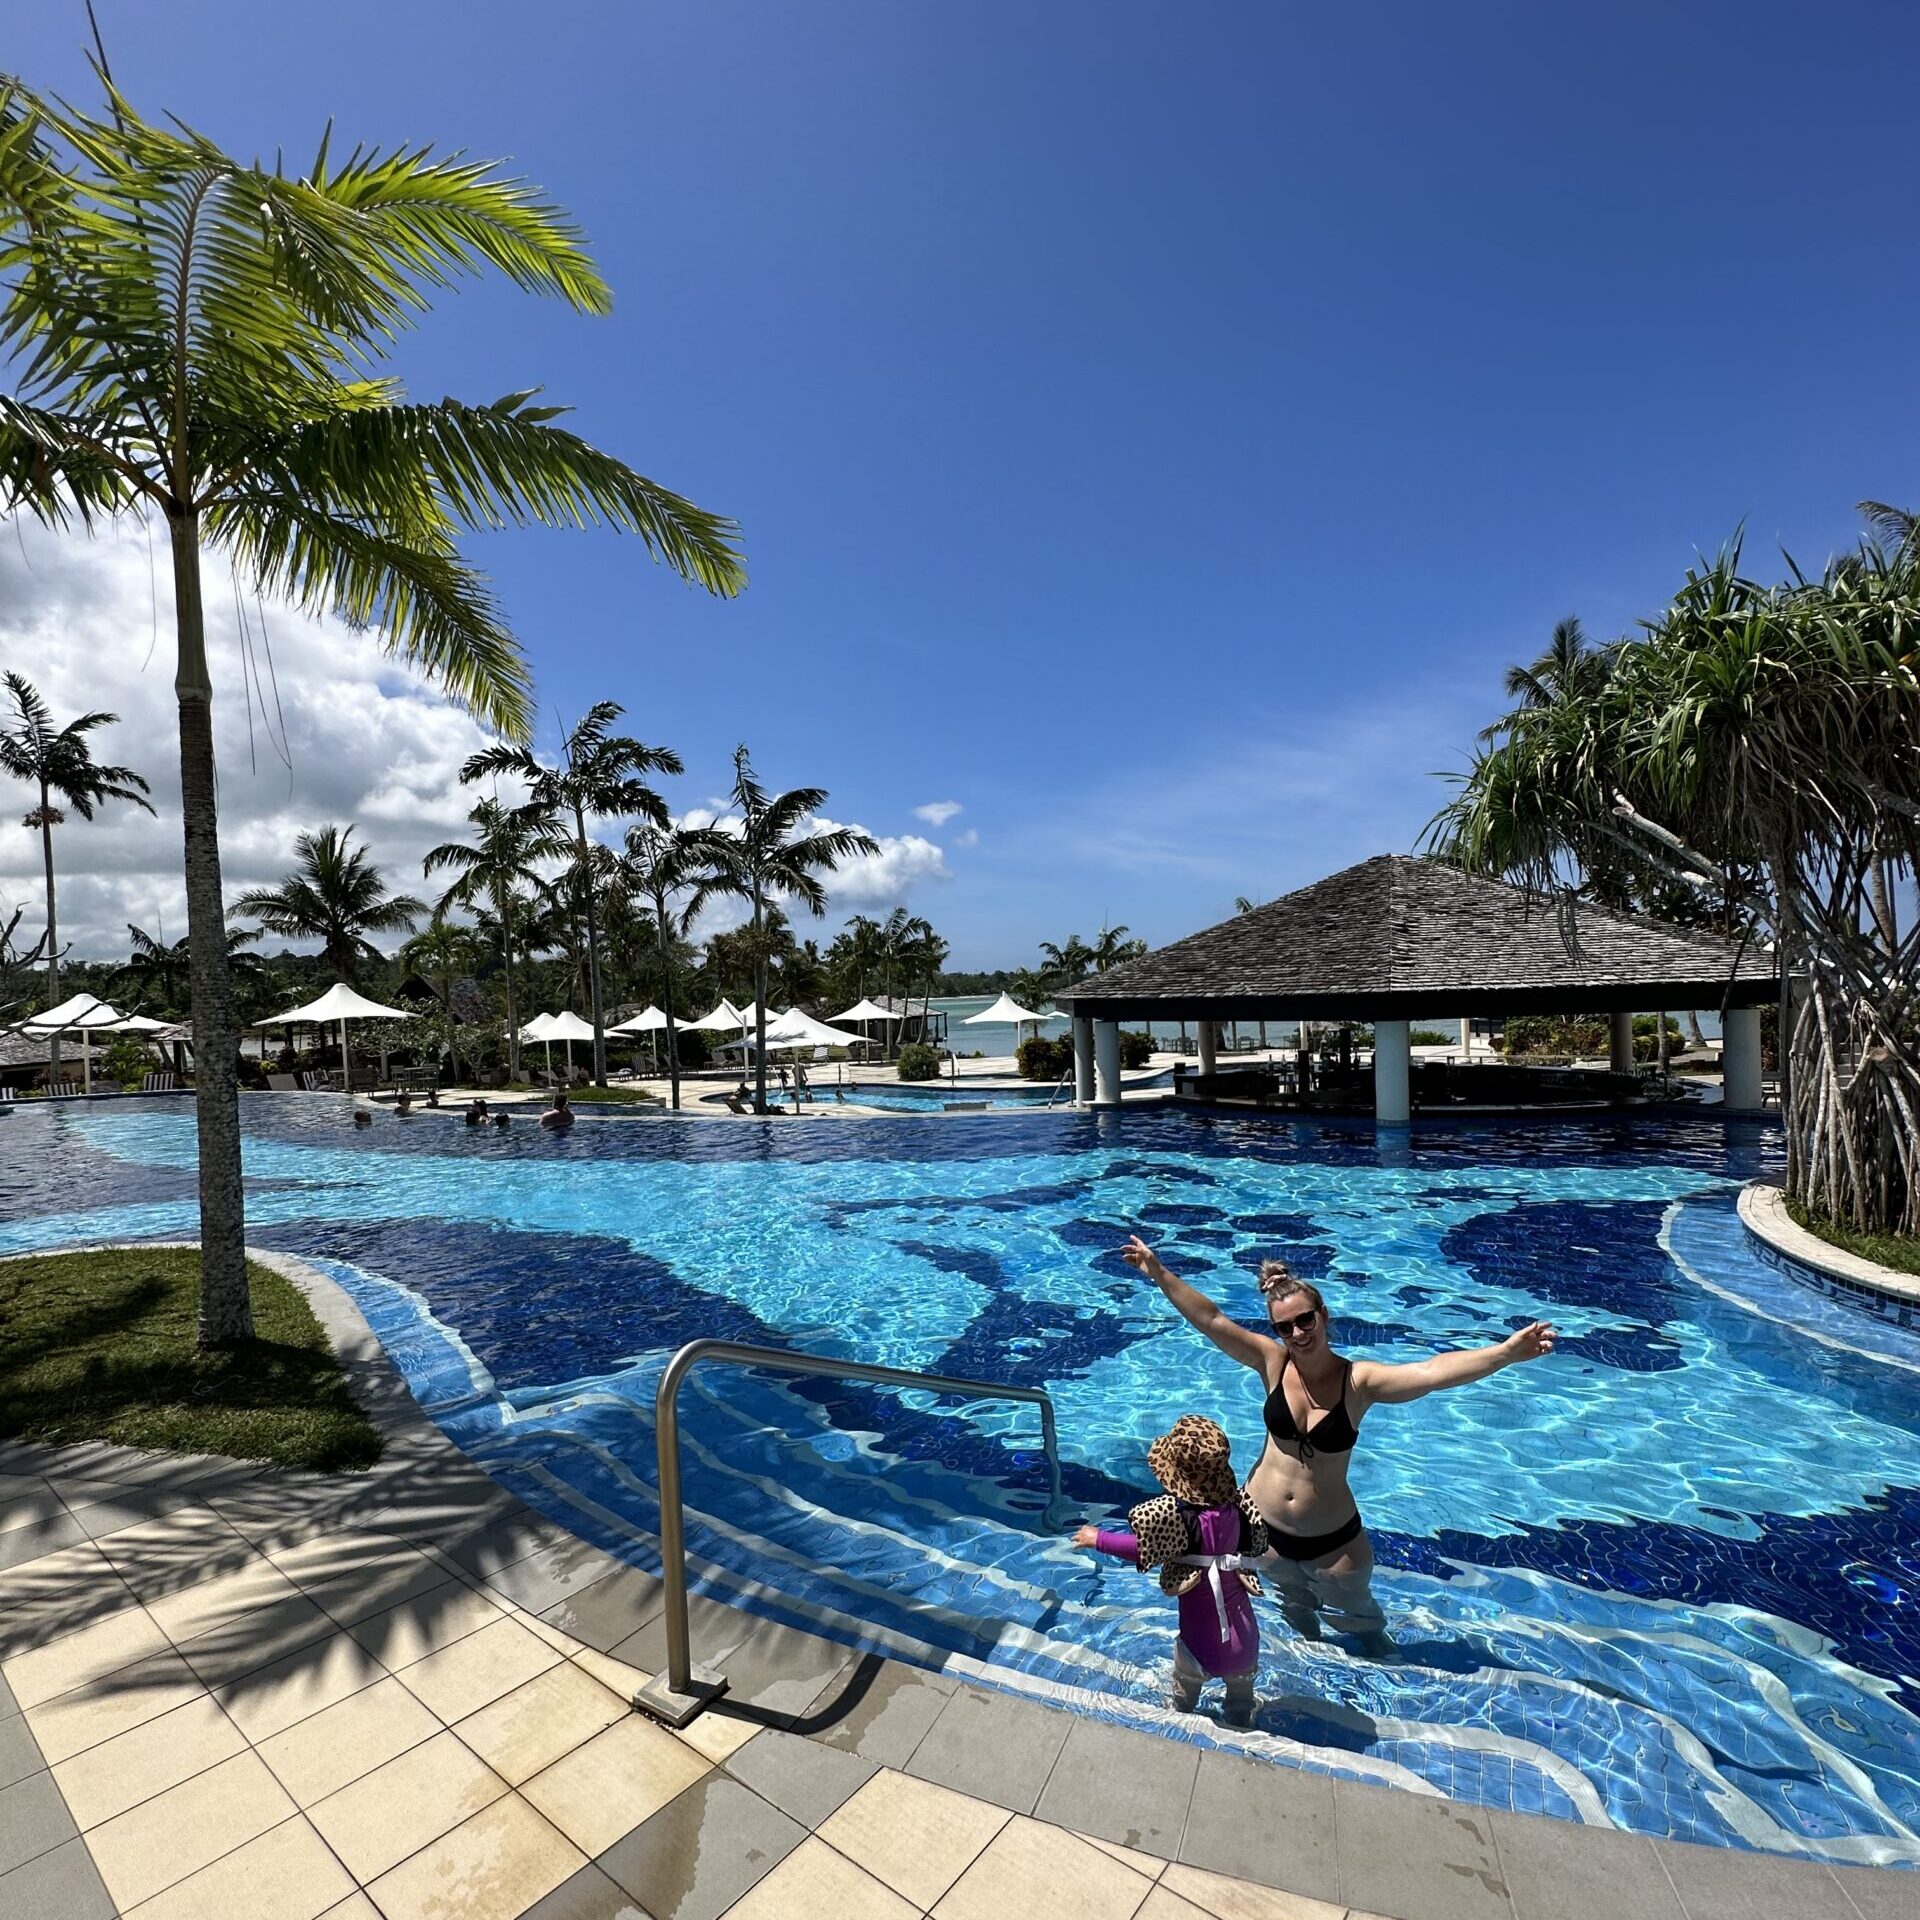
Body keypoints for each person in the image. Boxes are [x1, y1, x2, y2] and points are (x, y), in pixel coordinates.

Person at [1119, 1235, 1555, 1655]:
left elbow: (1430, 1372)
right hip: (1262, 1534)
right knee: (1298, 1622)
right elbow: (1212, 1319)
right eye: (1285, 1327)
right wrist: (1158, 1271)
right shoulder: (1272, 1363)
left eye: (1305, 1320)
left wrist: (1504, 1354)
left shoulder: (1358, 1382)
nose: (1297, 1332)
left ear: (1323, 1315)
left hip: (1333, 1546)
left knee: (1365, 1630)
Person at [1071, 1414, 1267, 1725]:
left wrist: (1099, 1539)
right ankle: (1241, 1726)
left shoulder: (1180, 1519)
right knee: (1240, 1705)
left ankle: (1176, 1729)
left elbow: (1142, 1548)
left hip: (1198, 1644)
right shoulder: (1239, 1509)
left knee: (1181, 1699)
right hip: (1245, 1641)